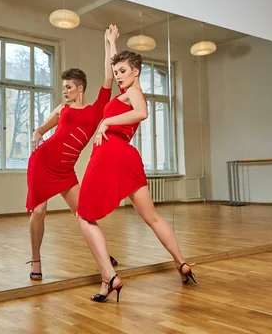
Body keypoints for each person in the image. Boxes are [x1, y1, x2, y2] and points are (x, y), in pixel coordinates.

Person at [76, 45, 196, 302]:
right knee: (151, 217)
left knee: (84, 216)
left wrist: (105, 122)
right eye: (116, 71)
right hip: (128, 158)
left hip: (109, 155)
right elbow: (118, 67)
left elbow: (142, 112)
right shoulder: (127, 91)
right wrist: (110, 43)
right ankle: (182, 264)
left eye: (123, 71)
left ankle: (108, 277)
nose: (118, 75)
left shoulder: (134, 92)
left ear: (136, 72)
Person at [26, 25, 121, 281]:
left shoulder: (96, 110)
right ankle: (36, 260)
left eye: (68, 87)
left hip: (65, 171)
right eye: (64, 87)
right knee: (39, 211)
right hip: (42, 163)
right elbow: (42, 129)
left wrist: (109, 42)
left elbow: (110, 77)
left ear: (80, 88)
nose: (65, 91)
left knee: (84, 213)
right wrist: (36, 134)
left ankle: (104, 255)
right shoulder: (61, 109)